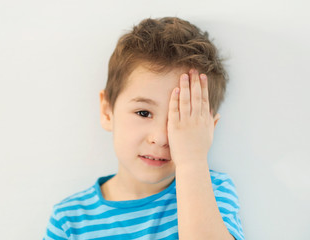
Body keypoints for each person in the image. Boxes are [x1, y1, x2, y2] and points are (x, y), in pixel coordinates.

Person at [43, 17, 244, 240]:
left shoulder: (213, 192)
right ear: (107, 111)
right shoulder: (70, 220)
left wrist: (192, 160)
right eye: (143, 113)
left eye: (179, 120)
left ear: (208, 130)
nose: (160, 138)